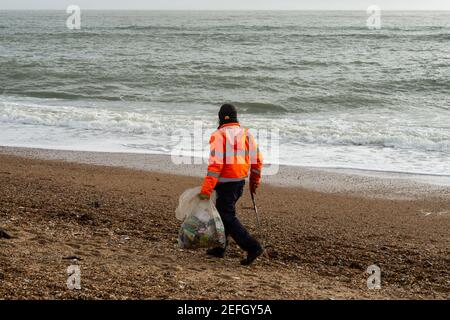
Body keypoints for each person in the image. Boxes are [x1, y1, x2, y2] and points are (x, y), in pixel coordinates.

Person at [198, 104, 264, 265]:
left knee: (227, 216)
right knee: (222, 214)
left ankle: (252, 246)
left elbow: (215, 166)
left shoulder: (218, 135)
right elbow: (257, 161)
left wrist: (206, 190)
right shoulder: (247, 135)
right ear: (236, 117)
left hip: (225, 184)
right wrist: (253, 183)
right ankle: (220, 248)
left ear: (221, 118)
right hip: (239, 183)